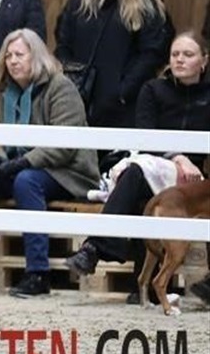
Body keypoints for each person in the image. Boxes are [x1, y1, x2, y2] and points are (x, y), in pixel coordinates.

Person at [64, 31, 209, 302]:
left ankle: (122, 267)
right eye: (175, 54)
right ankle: (95, 248)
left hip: (197, 176)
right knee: (135, 176)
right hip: (160, 162)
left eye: (188, 54)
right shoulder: (153, 89)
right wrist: (178, 157)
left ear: (204, 61)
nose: (179, 60)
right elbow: (145, 135)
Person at [0, 29, 100, 297]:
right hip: (16, 165)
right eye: (8, 56)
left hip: (65, 170)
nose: (13, 61)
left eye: (19, 55)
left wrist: (21, 163)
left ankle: (37, 273)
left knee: (26, 181)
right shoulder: (1, 91)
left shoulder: (60, 87)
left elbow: (63, 145)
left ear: (36, 56)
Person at [54, 0, 171, 130]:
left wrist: (122, 91)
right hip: (81, 99)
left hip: (124, 105)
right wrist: (70, 81)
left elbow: (153, 52)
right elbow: (63, 43)